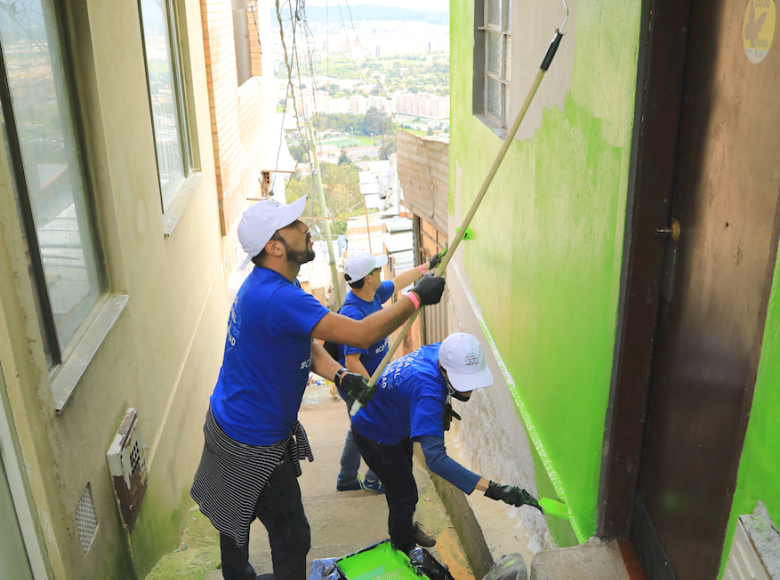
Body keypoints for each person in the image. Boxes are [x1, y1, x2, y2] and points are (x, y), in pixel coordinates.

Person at [190, 196, 446, 580]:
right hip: (252, 442)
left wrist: (340, 375)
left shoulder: (265, 285)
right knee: (292, 535)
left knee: (233, 521)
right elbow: (361, 332)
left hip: (228, 420)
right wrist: (415, 297)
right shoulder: (279, 296)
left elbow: (307, 344)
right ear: (275, 247)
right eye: (295, 225)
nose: (306, 227)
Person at [350, 332, 543, 555]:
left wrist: (443, 404)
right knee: (404, 493)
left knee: (404, 480)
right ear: (445, 371)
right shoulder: (427, 394)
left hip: (394, 418)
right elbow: (436, 460)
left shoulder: (446, 351)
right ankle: (403, 547)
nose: (469, 388)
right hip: (373, 432)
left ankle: (405, 528)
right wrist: (494, 489)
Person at [334, 251, 443, 493]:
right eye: (377, 270)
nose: (381, 273)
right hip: (360, 382)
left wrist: (428, 266)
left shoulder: (373, 294)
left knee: (359, 427)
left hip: (376, 377)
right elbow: (351, 361)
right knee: (376, 425)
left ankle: (346, 478)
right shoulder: (353, 312)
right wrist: (371, 392)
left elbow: (399, 282)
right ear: (369, 278)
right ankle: (369, 478)